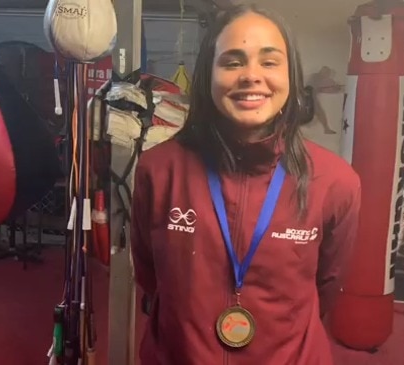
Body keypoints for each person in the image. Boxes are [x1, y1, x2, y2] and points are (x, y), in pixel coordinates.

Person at [131, 4, 361, 365]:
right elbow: (150, 275)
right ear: (208, 74)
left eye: (269, 62)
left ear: (291, 74)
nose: (251, 75)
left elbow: (326, 287)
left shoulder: (335, 182)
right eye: (232, 62)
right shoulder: (158, 170)